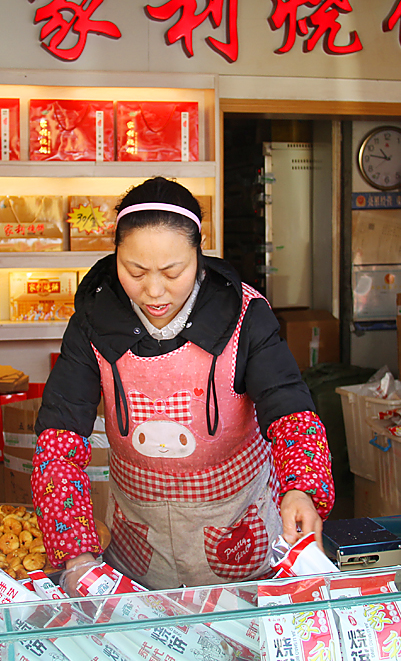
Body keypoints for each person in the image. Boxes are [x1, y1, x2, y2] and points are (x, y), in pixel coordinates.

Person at [32, 177, 334, 591]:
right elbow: (59, 435)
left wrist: (302, 490)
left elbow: (290, 409)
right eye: (134, 271)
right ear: (115, 253)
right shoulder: (92, 317)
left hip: (237, 529)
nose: (154, 291)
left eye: (173, 272)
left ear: (199, 252)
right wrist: (74, 551)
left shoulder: (245, 315)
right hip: (138, 535)